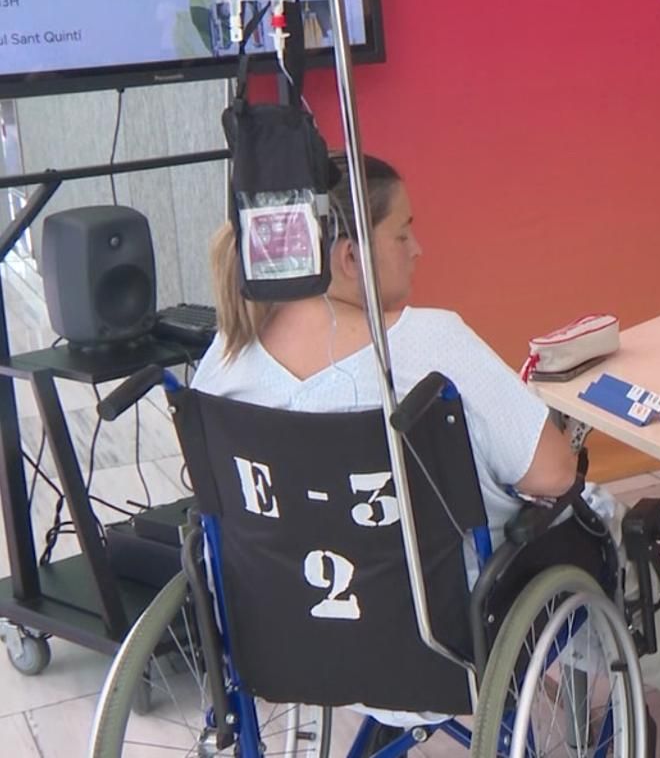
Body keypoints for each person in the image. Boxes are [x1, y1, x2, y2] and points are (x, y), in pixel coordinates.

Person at [194, 154, 579, 733]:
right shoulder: (432, 344)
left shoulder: (224, 359)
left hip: (282, 646)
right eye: (403, 232)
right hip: (439, 647)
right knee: (602, 523)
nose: (418, 248)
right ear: (350, 258)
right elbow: (553, 475)